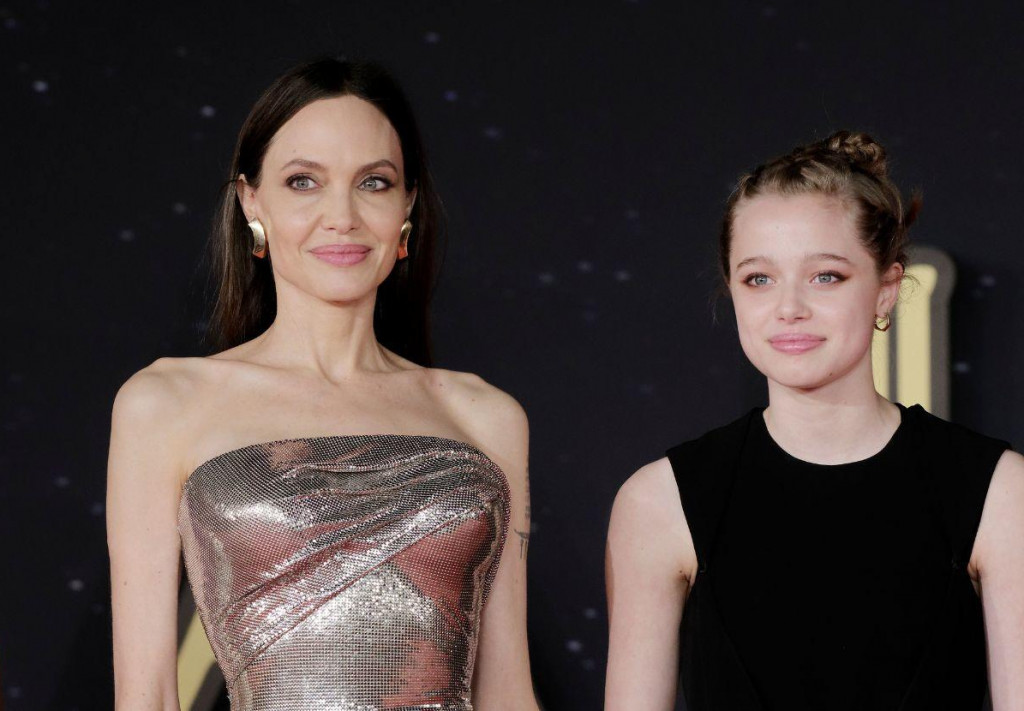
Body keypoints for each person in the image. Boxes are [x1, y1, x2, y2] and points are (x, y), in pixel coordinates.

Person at [107, 57, 538, 711]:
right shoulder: (164, 404)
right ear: (251, 201)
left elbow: (507, 691)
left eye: (374, 182)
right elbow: (147, 698)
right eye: (303, 181)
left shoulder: (486, 416)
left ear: (407, 205)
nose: (342, 215)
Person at [605, 131, 1024, 710]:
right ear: (732, 291)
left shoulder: (998, 492)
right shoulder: (662, 501)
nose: (789, 308)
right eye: (758, 278)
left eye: (826, 275)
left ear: (886, 289)